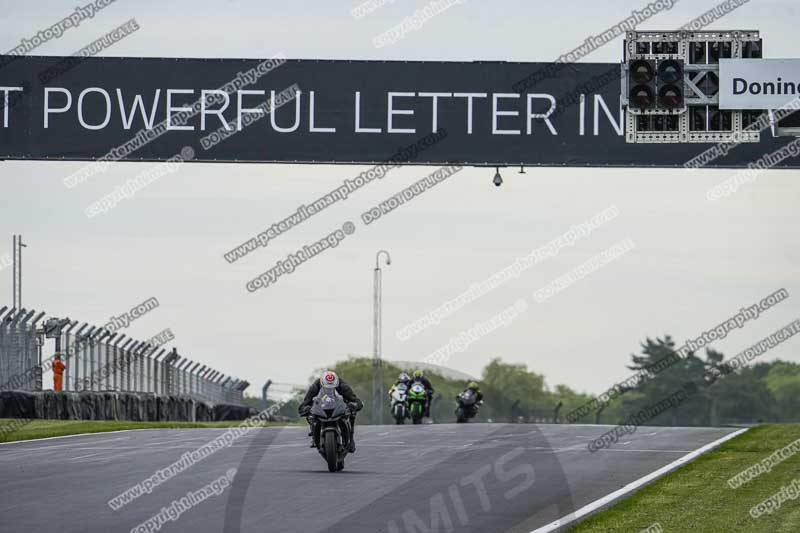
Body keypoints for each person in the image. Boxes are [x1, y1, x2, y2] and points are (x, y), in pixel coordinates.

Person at [298, 371, 363, 452]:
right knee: (310, 415)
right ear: (322, 383)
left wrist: (354, 405)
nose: (329, 389)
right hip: (321, 407)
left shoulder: (343, 386)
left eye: (331, 387)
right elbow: (304, 403)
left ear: (336, 384)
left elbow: (357, 401)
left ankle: (351, 438)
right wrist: (305, 409)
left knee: (352, 412)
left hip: (338, 406)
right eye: (327, 387)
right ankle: (314, 435)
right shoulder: (315, 386)